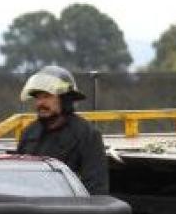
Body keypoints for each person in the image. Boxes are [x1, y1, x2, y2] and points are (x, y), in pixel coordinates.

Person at [16, 65, 109, 194]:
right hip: (32, 208)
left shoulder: (87, 135)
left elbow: (96, 189)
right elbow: (17, 182)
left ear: (65, 99)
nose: (40, 103)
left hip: (68, 209)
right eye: (37, 97)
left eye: (47, 96)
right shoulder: (29, 133)